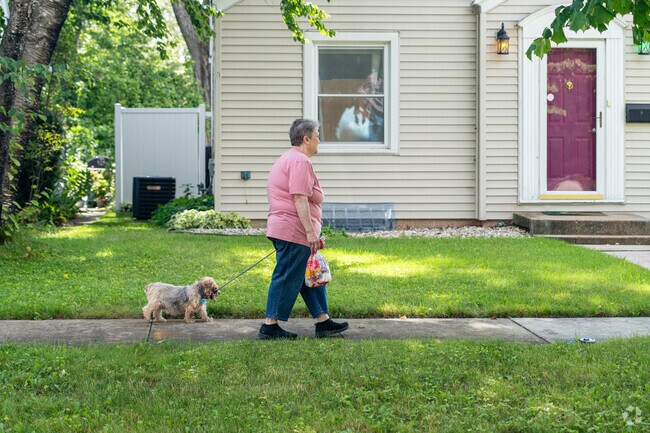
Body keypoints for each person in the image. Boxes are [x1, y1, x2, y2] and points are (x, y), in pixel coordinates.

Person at [258, 119, 349, 340]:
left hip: (291, 228)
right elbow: (300, 199)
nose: (319, 140)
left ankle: (323, 321)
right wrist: (310, 233)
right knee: (288, 275)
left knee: (307, 275)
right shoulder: (299, 161)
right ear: (306, 138)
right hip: (293, 230)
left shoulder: (291, 159)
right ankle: (270, 325)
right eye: (317, 135)